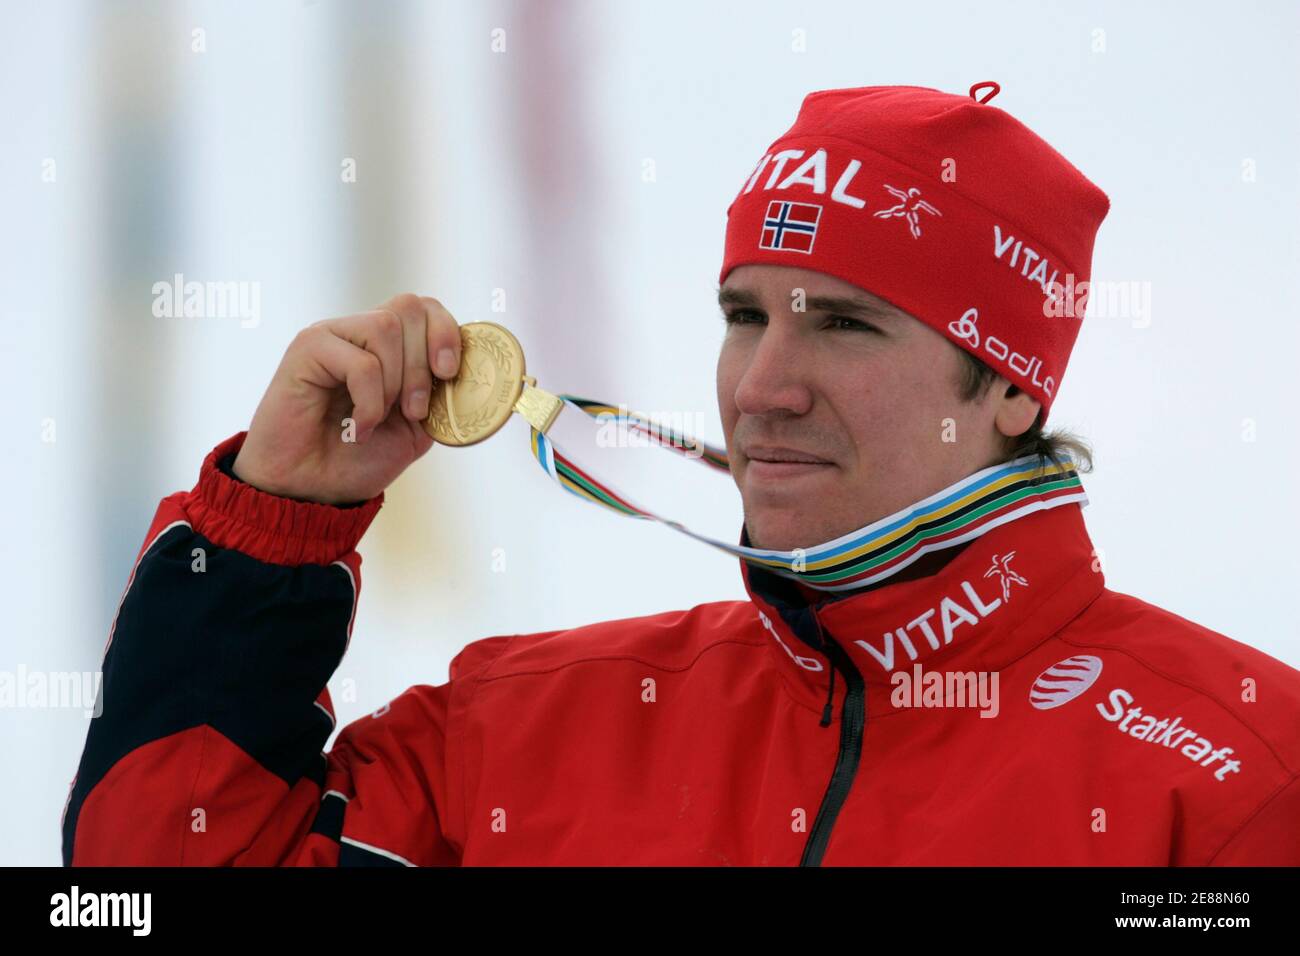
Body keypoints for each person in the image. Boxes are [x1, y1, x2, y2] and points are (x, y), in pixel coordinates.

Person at [64, 82, 1300, 866]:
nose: (762, 383)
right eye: (741, 314)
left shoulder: (1236, 769)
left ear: (1014, 383)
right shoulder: (526, 727)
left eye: (844, 323)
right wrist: (273, 524)